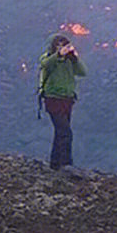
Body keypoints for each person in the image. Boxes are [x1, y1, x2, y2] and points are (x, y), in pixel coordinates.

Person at [38, 33, 87, 170]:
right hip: (53, 99)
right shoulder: (48, 58)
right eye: (59, 45)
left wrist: (75, 58)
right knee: (65, 132)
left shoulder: (69, 61)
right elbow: (46, 65)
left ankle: (55, 163)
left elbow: (83, 72)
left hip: (67, 100)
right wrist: (58, 55)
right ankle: (66, 164)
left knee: (60, 132)